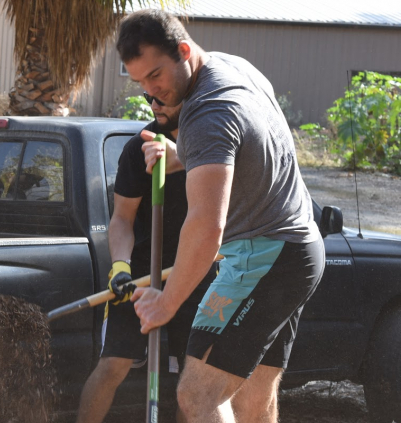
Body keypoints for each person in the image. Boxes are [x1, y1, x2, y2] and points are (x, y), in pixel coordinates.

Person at [119, 10, 325, 423]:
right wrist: (189, 159)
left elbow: (205, 227)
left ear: (183, 51)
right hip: (301, 250)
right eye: (139, 81)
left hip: (261, 258)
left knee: (197, 395)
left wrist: (166, 302)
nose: (151, 92)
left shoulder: (205, 115)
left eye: (156, 75)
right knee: (254, 394)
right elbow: (245, 145)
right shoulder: (233, 66)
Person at [75, 96, 217, 423]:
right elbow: (122, 219)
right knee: (113, 364)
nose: (155, 104)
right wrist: (120, 268)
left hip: (198, 271)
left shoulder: (213, 146)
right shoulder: (138, 149)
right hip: (140, 273)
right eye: (149, 98)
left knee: (194, 377)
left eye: (164, 98)